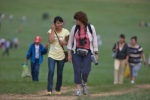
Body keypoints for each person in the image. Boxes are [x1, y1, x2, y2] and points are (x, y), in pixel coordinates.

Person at [67, 11, 98, 96]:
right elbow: (70, 42)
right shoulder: (74, 28)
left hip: (88, 53)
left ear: (81, 19)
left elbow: (95, 40)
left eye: (77, 19)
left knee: (85, 71)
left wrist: (96, 53)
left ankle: (84, 84)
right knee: (77, 70)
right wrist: (69, 54)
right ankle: (78, 89)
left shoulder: (91, 28)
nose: (76, 21)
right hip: (76, 53)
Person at [47, 16, 69, 95]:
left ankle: (58, 89)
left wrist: (64, 43)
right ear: (55, 24)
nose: (59, 24)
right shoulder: (50, 31)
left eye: (60, 23)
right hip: (51, 55)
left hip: (61, 56)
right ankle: (49, 89)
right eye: (57, 23)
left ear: (62, 23)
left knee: (59, 73)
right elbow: (50, 41)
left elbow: (69, 43)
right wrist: (53, 30)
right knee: (51, 71)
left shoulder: (66, 32)